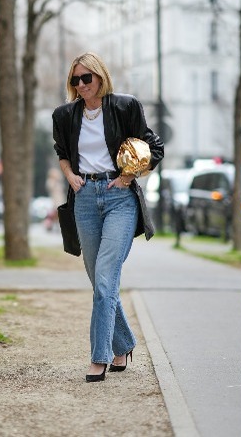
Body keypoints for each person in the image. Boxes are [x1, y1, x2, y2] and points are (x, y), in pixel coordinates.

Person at [52, 52, 164, 382]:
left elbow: (153, 148)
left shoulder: (125, 106)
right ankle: (126, 343)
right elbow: (62, 152)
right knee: (99, 281)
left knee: (104, 280)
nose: (82, 84)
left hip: (119, 197)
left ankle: (100, 357)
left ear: (101, 77)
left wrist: (129, 177)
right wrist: (70, 176)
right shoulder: (64, 115)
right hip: (84, 198)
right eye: (76, 80)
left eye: (87, 77)